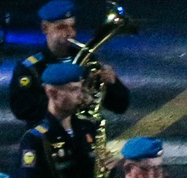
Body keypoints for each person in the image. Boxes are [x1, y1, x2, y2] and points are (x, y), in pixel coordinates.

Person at [8, 2, 131, 132]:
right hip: (48, 137)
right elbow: (21, 109)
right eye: (61, 27)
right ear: (45, 28)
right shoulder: (30, 67)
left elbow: (120, 106)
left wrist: (113, 83)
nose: (70, 33)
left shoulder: (88, 60)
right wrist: (69, 100)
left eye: (72, 26)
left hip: (85, 136)